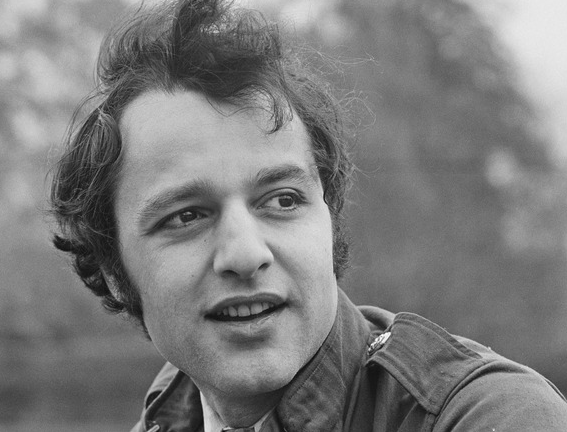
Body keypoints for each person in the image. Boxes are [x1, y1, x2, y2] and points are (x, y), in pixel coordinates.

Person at [49, 0, 567, 431]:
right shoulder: (165, 417)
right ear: (114, 270)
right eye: (187, 216)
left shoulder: (491, 417)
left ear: (328, 217)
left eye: (282, 200)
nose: (246, 254)